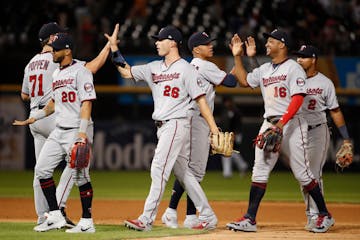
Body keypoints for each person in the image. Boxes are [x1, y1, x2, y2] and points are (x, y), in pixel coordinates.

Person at [105, 25, 219, 231]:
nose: (156, 42)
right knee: (185, 174)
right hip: (163, 126)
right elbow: (126, 71)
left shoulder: (186, 69)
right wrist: (114, 48)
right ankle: (209, 215)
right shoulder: (153, 67)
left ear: (173, 42)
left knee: (159, 169)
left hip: (177, 123)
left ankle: (146, 219)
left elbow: (201, 101)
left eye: (161, 39)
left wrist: (214, 128)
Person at [226, 29, 335, 233]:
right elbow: (244, 81)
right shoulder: (266, 68)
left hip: (292, 123)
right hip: (270, 123)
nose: (266, 44)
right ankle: (250, 218)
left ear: (282, 45)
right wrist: (237, 57)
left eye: (271, 41)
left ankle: (324, 214)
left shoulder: (294, 68)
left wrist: (281, 124)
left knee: (303, 174)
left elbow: (298, 98)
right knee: (259, 171)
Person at [20, 22, 111, 228]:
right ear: (52, 39)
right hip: (55, 119)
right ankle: (56, 212)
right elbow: (93, 67)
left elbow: (24, 95)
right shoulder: (56, 67)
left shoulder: (31, 63)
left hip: (45, 117)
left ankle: (49, 215)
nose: (57, 46)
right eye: (58, 36)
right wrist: (107, 48)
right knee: (57, 167)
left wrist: (80, 131)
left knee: (66, 169)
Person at [160, 31, 243, 229]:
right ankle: (173, 212)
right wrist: (237, 57)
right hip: (196, 120)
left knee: (189, 170)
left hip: (190, 119)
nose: (211, 46)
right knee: (194, 171)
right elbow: (232, 82)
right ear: (196, 49)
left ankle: (187, 215)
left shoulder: (189, 66)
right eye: (206, 44)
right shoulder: (204, 65)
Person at [294, 44, 351, 230]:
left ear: (313, 59)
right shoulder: (293, 80)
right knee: (303, 176)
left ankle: (320, 215)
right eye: (298, 57)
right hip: (297, 131)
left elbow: (335, 111)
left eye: (303, 57)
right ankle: (312, 214)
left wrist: (346, 139)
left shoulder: (324, 82)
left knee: (313, 174)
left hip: (318, 130)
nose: (299, 59)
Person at [220, 96, 248, 178]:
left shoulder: (236, 112)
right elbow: (224, 124)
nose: (227, 103)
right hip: (226, 134)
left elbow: (238, 125)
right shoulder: (224, 112)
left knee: (229, 152)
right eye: (226, 102)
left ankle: (228, 172)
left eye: (228, 101)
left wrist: (235, 134)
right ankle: (242, 166)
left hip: (235, 134)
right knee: (230, 152)